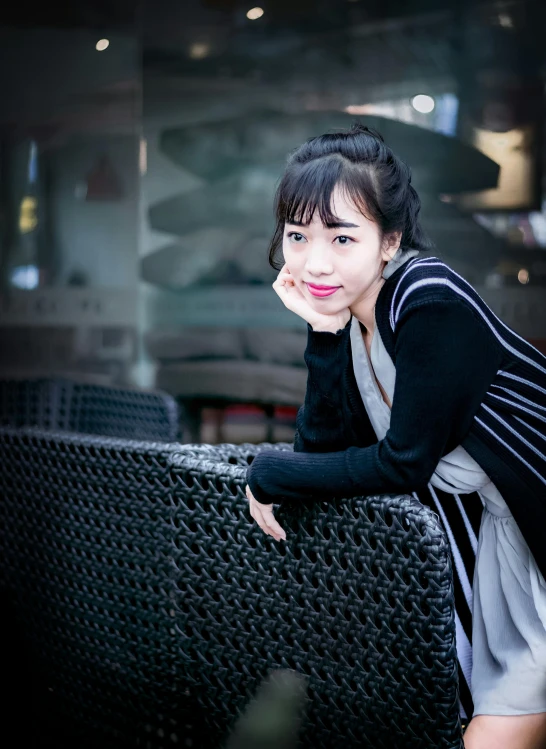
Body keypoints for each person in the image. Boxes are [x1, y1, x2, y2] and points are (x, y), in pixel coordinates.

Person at [244, 124, 546, 749]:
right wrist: (322, 332)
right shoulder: (355, 321)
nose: (314, 262)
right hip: (490, 555)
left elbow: (402, 463)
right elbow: (324, 451)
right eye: (297, 236)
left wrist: (269, 473)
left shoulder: (428, 298)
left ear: (390, 241)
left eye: (342, 236)